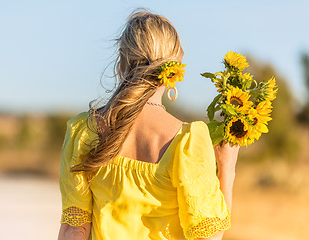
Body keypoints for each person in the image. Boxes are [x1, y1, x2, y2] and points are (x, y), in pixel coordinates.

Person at [58, 10, 239, 240]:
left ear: (122, 60)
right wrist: (227, 169)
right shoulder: (188, 141)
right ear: (174, 71)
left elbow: (74, 231)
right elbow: (209, 236)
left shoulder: (82, 132)